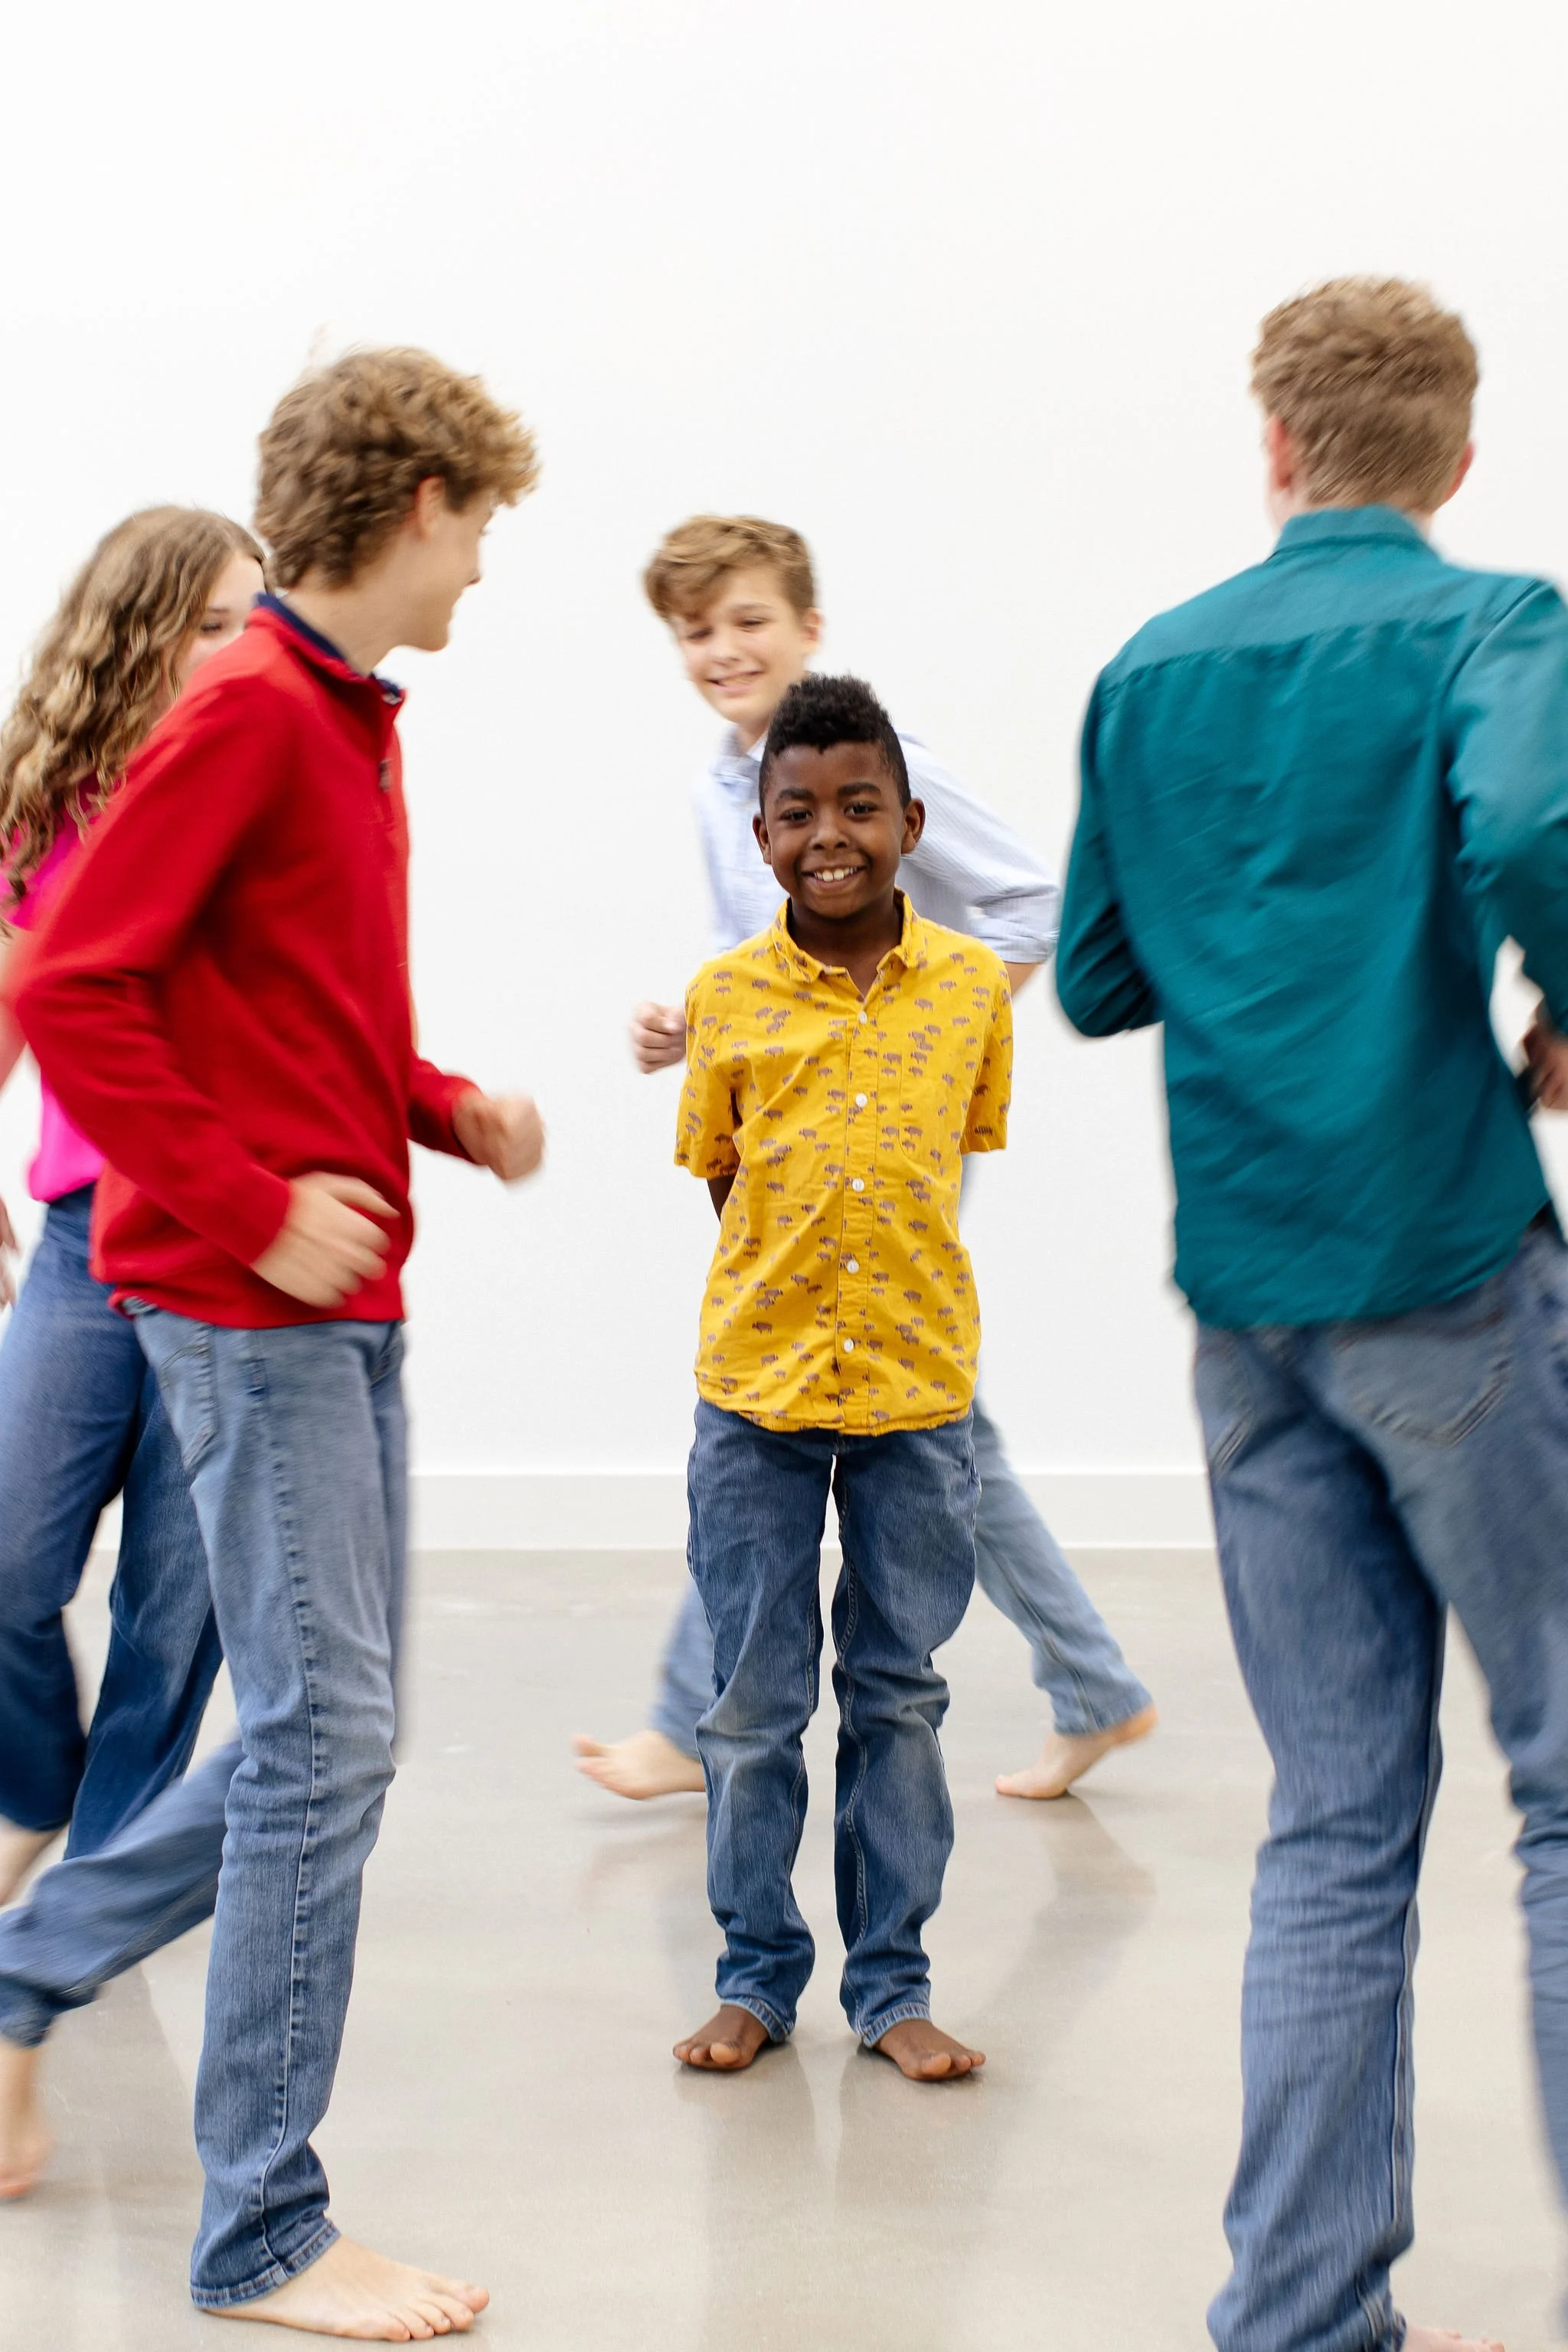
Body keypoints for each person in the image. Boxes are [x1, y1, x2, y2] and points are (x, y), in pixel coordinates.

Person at [2, 347, 545, 2341]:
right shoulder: (247, 710)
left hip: (341, 1295)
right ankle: (260, 2236)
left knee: (341, 1738)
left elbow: (280, 1002)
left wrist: (435, 1103)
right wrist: (247, 1205)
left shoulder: (344, 722)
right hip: (243, 1304)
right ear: (415, 504)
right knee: (323, 1745)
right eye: (481, 527)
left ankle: (34, 1960)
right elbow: (79, 984)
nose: (485, 570)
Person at [1054, 276, 1562, 2352]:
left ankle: (1298, 2314)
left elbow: (1092, 976)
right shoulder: (1494, 625)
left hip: (1247, 1311)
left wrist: (1255, 935)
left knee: (1336, 1823)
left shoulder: (1149, 669)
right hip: (1445, 1268)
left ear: (1270, 449)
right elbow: (1529, 823)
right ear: (1457, 455)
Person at [576, 514, 1154, 1805]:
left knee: (812, 1398)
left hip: (894, 1128)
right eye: (696, 630)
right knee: (847, 1401)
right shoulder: (718, 788)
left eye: (749, 621)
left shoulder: (889, 767)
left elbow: (1032, 901)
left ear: (809, 628)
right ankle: (1094, 1685)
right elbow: (771, 963)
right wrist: (695, 1024)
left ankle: (693, 1715)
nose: (724, 650)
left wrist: (928, 1039)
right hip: (785, 1139)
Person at [672, 671, 1005, 2084]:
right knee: (752, 1708)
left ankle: (894, 1983)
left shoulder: (975, 989)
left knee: (899, 1695)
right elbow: (722, 1177)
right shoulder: (725, 999)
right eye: (796, 809)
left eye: (860, 806)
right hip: (755, 1396)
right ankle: (756, 1974)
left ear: (909, 821)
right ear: (760, 837)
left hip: (919, 1400)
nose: (831, 834)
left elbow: (960, 1155)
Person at [0, 510, 263, 1911]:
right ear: (140, 631)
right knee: (8, 1558)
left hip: (232, 1247)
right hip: (83, 1239)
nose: (242, 647)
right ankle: (36, 1790)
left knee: (175, 1606)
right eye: (213, 621)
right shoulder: (54, 802)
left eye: (255, 618)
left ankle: (102, 1874)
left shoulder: (268, 785)